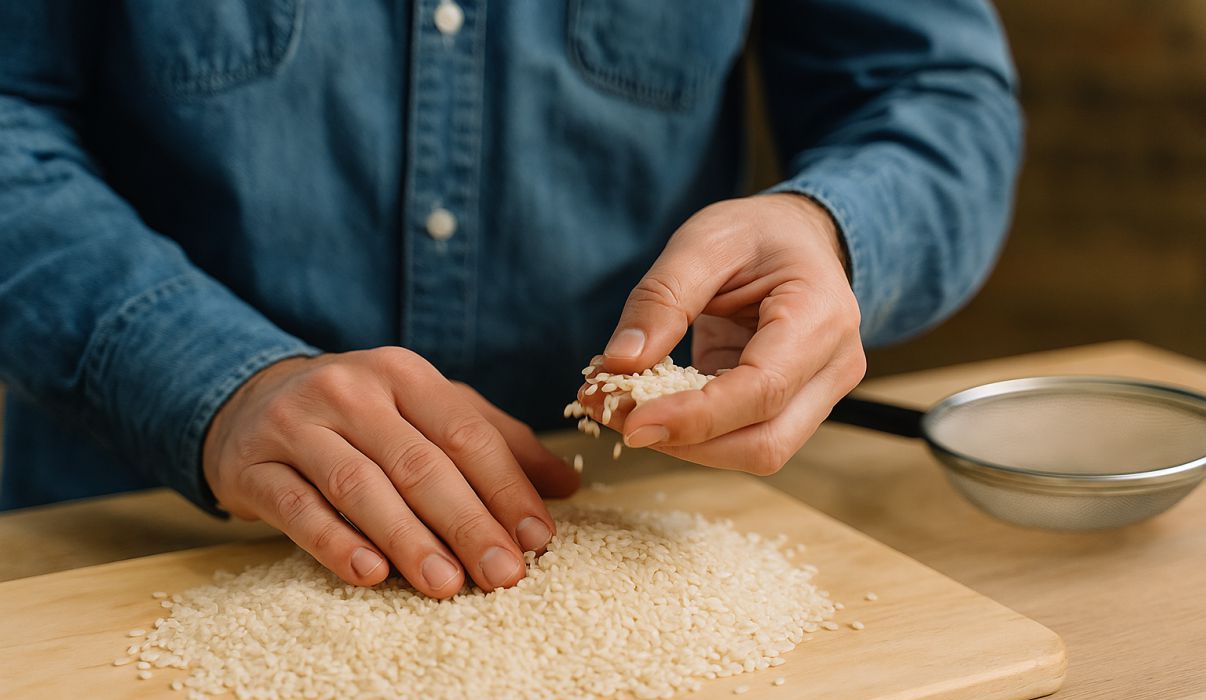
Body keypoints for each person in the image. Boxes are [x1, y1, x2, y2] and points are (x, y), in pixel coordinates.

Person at [0, 2, 1020, 597]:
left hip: (634, 533)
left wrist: (831, 231)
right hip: (133, 536)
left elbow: (933, 94)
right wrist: (210, 379)